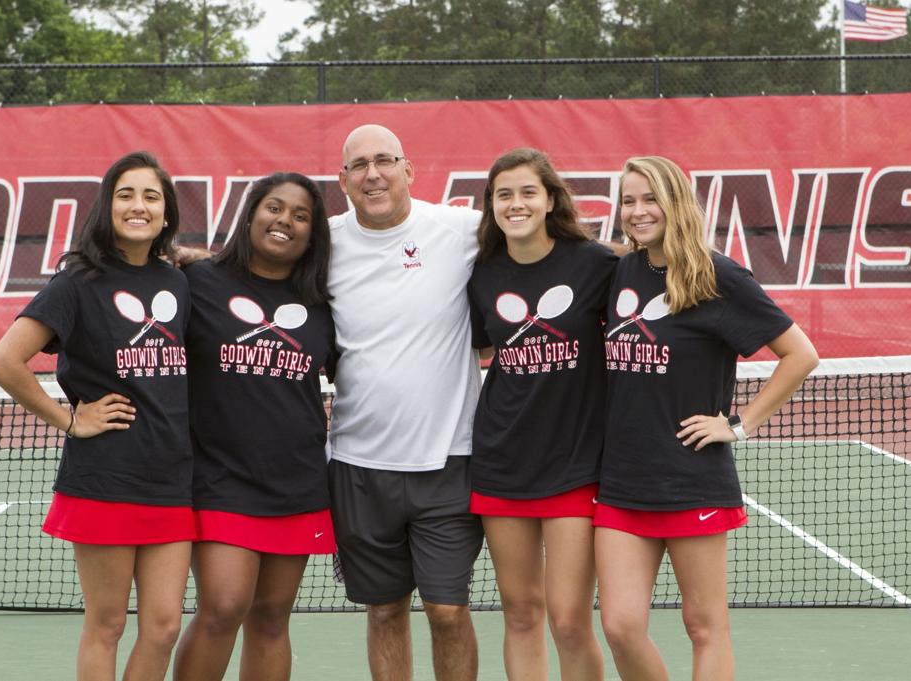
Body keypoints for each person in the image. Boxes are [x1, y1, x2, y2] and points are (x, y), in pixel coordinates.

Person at [594, 156, 819, 681]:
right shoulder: (621, 269)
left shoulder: (718, 274)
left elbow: (800, 355)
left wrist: (739, 424)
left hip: (692, 478)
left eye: (650, 198)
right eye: (628, 200)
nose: (638, 210)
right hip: (621, 481)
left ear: (676, 203)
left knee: (704, 626)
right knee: (621, 627)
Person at [0, 151, 194, 681]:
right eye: (125, 194)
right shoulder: (78, 281)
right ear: (107, 207)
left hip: (172, 477)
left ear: (166, 212)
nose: (138, 206)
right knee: (106, 625)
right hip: (105, 476)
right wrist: (70, 420)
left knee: (165, 626)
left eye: (151, 196)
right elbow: (4, 362)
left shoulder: (177, 283)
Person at [327, 124, 486, 681]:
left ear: (408, 169)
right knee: (385, 608)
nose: (373, 174)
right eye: (360, 165)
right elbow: (239, 271)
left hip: (450, 461)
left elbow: (556, 243)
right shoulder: (322, 244)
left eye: (384, 161)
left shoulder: (460, 228)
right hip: (357, 466)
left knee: (447, 611)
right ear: (342, 180)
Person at [172, 173, 336, 681]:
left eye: (300, 215)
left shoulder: (323, 301)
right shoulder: (199, 283)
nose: (284, 220)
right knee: (223, 607)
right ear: (250, 214)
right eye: (273, 207)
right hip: (220, 479)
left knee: (270, 619)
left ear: (312, 234)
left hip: (297, 479)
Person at [467, 148, 616, 681]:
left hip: (576, 462)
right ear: (491, 205)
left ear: (550, 199)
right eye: (504, 194)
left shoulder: (596, 264)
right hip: (501, 459)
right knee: (521, 612)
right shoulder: (482, 274)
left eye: (528, 191)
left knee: (571, 619)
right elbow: (483, 347)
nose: (516, 203)